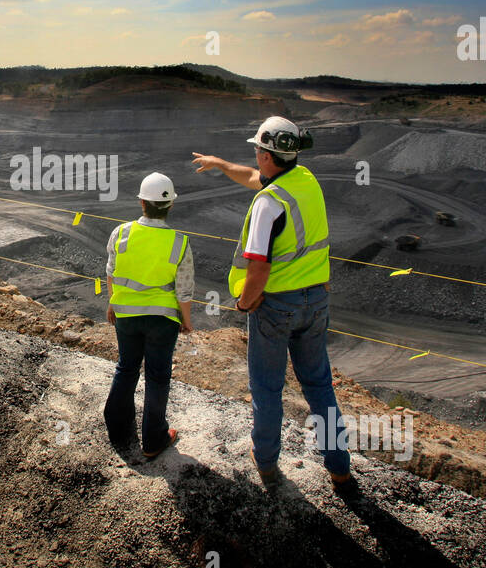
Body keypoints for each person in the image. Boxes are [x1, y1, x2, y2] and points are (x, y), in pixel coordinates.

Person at [192, 117, 354, 491]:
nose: (254, 156)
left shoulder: (268, 204)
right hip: (316, 300)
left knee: (266, 387)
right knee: (319, 385)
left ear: (266, 155)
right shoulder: (305, 181)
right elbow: (253, 177)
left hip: (276, 305)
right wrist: (220, 164)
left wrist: (246, 303)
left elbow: (258, 267)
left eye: (257, 151)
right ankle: (339, 468)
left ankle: (265, 463)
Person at [103, 171, 194, 460]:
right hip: (162, 318)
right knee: (157, 376)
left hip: (126, 314)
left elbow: (111, 273)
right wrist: (186, 320)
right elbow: (184, 288)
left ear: (142, 202)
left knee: (126, 368)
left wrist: (112, 304)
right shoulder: (179, 242)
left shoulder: (121, 233)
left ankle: (118, 429)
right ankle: (153, 439)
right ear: (170, 206)